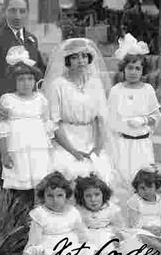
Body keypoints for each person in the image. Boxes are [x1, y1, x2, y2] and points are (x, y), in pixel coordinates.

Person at [0, 0, 46, 184]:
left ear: (28, 12)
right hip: (4, 112)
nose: (17, 16)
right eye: (12, 10)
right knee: (5, 170)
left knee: (27, 169)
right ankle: (5, 212)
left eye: (22, 11)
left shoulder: (31, 40)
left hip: (26, 115)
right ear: (4, 11)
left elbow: (38, 72)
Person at [42, 38, 118, 187]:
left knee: (100, 171)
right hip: (66, 139)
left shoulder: (95, 83)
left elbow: (100, 119)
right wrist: (73, 151)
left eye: (84, 56)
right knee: (69, 171)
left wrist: (97, 148)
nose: (81, 60)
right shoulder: (58, 85)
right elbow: (54, 123)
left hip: (91, 138)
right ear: (67, 61)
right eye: (75, 57)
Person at [21, 171, 107, 255]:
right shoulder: (40, 214)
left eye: (59, 195)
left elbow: (82, 232)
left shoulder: (72, 211)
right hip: (51, 249)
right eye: (50, 196)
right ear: (43, 196)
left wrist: (87, 247)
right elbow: (34, 241)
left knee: (94, 254)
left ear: (66, 196)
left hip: (72, 246)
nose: (55, 200)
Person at [0, 47, 52, 210]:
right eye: (21, 79)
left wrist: (49, 150)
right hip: (17, 150)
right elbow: (2, 130)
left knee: (39, 187)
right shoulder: (8, 99)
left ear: (35, 80)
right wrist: (4, 154)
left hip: (38, 150)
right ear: (14, 82)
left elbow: (47, 125)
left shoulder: (41, 99)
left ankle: (39, 221)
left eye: (30, 79)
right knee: (19, 190)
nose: (26, 83)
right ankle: (20, 223)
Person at [108, 34, 161, 188]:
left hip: (142, 144)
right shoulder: (116, 90)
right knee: (123, 180)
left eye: (137, 68)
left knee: (144, 181)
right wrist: (122, 125)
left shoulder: (148, 90)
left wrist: (144, 120)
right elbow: (110, 120)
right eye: (130, 68)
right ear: (123, 69)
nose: (133, 72)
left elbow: (156, 116)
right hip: (123, 144)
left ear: (143, 70)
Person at [74, 173, 145, 255]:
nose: (93, 199)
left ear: (103, 195)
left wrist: (117, 236)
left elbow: (120, 226)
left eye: (97, 194)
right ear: (82, 198)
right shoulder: (79, 211)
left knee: (135, 251)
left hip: (109, 234)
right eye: (88, 196)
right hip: (89, 237)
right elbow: (80, 232)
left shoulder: (110, 208)